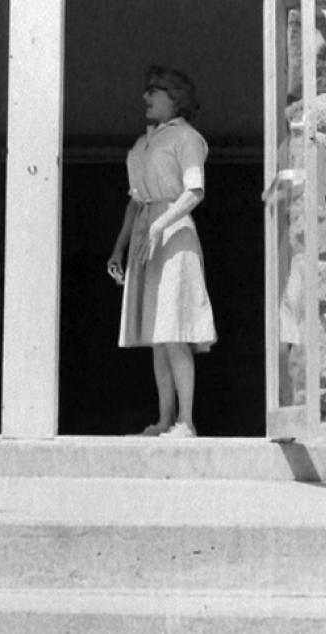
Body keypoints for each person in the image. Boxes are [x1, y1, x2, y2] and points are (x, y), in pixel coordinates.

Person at [106, 65, 217, 437]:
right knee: (157, 334)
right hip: (147, 236)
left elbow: (194, 191)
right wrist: (119, 248)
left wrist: (159, 223)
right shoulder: (143, 144)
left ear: (175, 97)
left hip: (174, 236)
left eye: (154, 91)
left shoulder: (187, 138)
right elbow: (135, 201)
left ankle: (187, 419)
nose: (146, 98)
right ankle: (165, 417)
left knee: (175, 329)